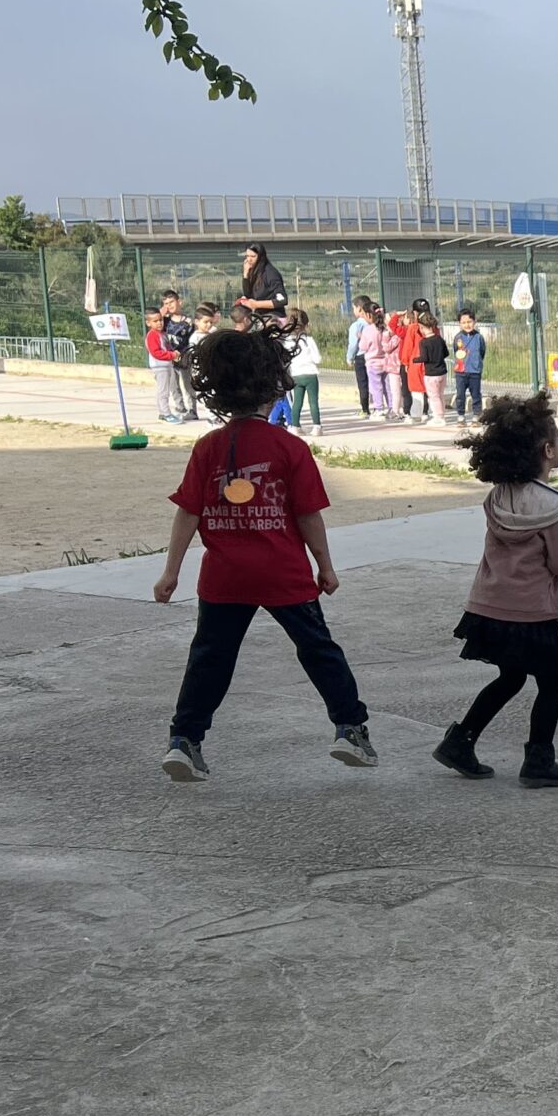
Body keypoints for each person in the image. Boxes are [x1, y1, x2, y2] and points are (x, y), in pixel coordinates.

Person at [152, 326, 375, 780]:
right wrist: (325, 566)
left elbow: (188, 512)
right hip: (283, 574)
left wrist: (170, 572)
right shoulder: (290, 447)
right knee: (318, 649)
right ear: (273, 385)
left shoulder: (207, 447)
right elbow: (308, 515)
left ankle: (184, 740)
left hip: (223, 577)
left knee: (210, 658)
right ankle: (350, 729)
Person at [433, 390, 558, 787]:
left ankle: (460, 740)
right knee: (552, 681)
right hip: (533, 611)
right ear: (548, 450)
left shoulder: (497, 497)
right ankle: (539, 759)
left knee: (511, 677)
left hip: (491, 605)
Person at [283, 306, 323, 429]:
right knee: (313, 402)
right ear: (306, 325)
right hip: (310, 374)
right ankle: (317, 426)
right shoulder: (309, 340)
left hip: (296, 374)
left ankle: (295, 426)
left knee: (297, 402)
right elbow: (317, 359)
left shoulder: (287, 342)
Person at [358, 303, 400, 420]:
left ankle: (379, 408)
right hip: (386, 361)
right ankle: (391, 407)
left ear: (368, 315)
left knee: (376, 387)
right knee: (387, 387)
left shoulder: (367, 330)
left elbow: (362, 346)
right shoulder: (385, 327)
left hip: (372, 364)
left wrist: (360, 337)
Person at [162, 293, 198, 419]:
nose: (169, 305)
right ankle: (180, 407)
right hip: (169, 359)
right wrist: (161, 313)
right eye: (166, 303)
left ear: (179, 302)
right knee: (174, 386)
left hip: (184, 359)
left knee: (188, 385)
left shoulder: (188, 322)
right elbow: (152, 326)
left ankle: (192, 411)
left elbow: (192, 340)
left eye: (171, 302)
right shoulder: (164, 322)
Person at [144, 300, 181, 422]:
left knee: (165, 390)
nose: (159, 323)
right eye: (155, 321)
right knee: (163, 391)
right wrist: (171, 355)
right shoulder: (152, 335)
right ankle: (165, 413)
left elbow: (167, 347)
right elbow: (157, 353)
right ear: (148, 323)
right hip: (160, 367)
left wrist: (174, 353)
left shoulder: (162, 334)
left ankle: (163, 412)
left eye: (160, 320)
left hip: (166, 365)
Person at [238, 243, 288, 324]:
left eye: (253, 256)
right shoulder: (255, 272)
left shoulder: (270, 273)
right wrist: (245, 274)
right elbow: (248, 295)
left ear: (260, 257)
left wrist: (256, 304)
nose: (249, 259)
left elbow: (282, 300)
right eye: (247, 256)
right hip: (260, 317)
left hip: (274, 319)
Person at [389, 307, 425, 418]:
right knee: (421, 388)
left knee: (406, 389)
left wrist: (397, 314)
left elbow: (392, 325)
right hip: (419, 362)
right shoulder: (421, 330)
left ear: (408, 319)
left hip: (406, 362)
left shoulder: (405, 330)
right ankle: (424, 411)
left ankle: (408, 411)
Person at [416, 306, 450, 420]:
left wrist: (415, 360)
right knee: (440, 395)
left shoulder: (423, 342)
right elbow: (446, 353)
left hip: (431, 374)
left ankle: (438, 417)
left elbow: (424, 358)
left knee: (433, 396)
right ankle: (442, 414)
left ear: (421, 327)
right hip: (442, 372)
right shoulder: (439, 339)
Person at [452, 310, 486, 418]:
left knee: (476, 394)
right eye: (464, 322)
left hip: (475, 371)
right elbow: (456, 351)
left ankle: (476, 415)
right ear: (459, 323)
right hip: (460, 372)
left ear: (474, 322)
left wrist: (476, 363)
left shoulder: (479, 337)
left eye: (469, 322)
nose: (467, 325)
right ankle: (461, 415)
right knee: (460, 394)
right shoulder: (457, 337)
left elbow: (482, 352)